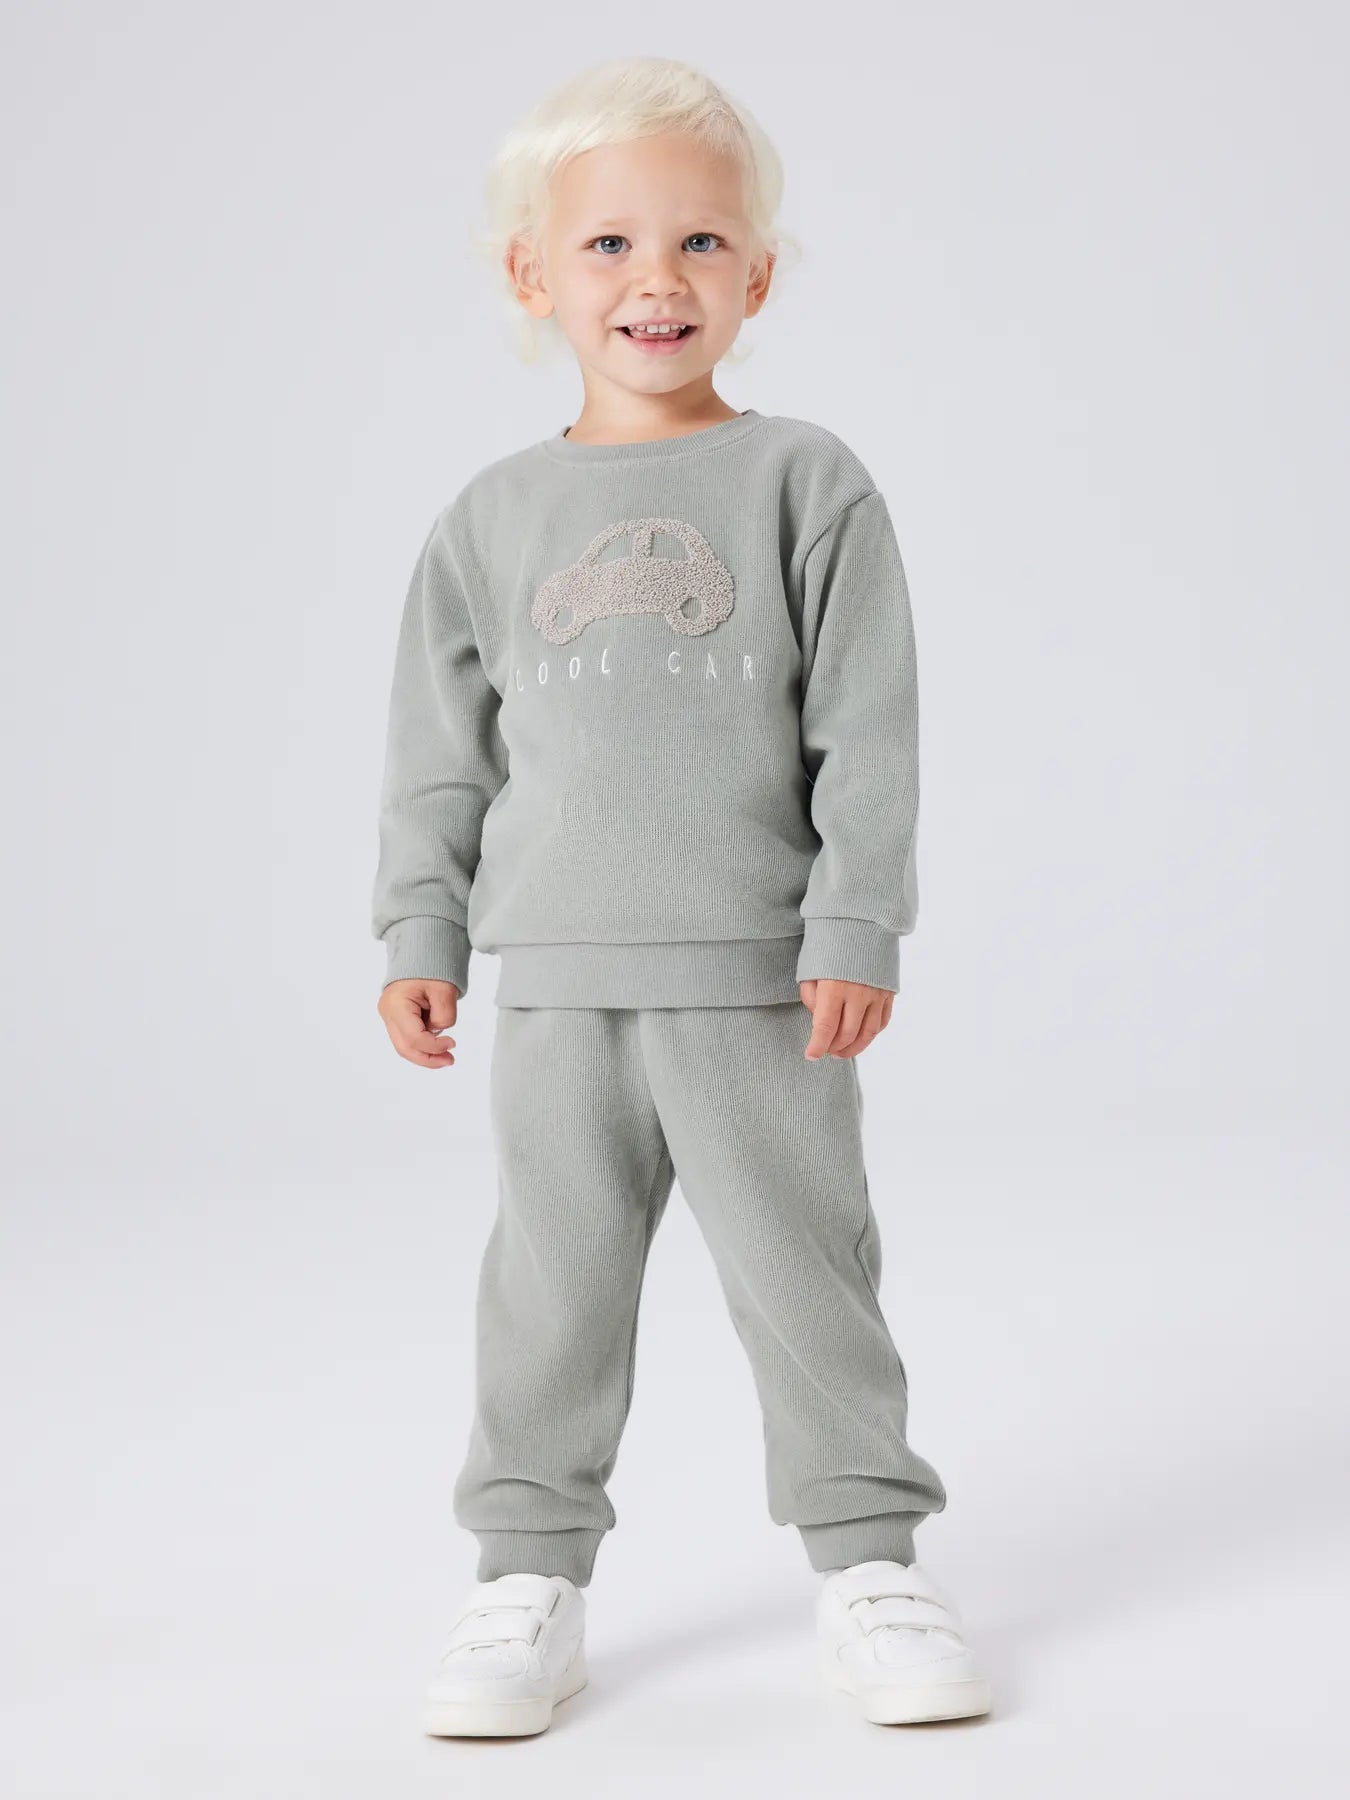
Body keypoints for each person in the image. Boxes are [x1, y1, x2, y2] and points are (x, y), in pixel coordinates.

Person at [371, 55, 992, 1737]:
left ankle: (867, 1561)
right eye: (610, 244)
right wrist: (420, 928)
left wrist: (854, 922)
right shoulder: (489, 520)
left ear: (757, 276)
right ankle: (526, 1573)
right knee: (549, 1286)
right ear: (531, 274)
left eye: (702, 242)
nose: (657, 278)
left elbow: (868, 731)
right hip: (556, 983)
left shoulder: (805, 484)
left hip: (756, 983)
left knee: (804, 1275)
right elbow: (437, 758)